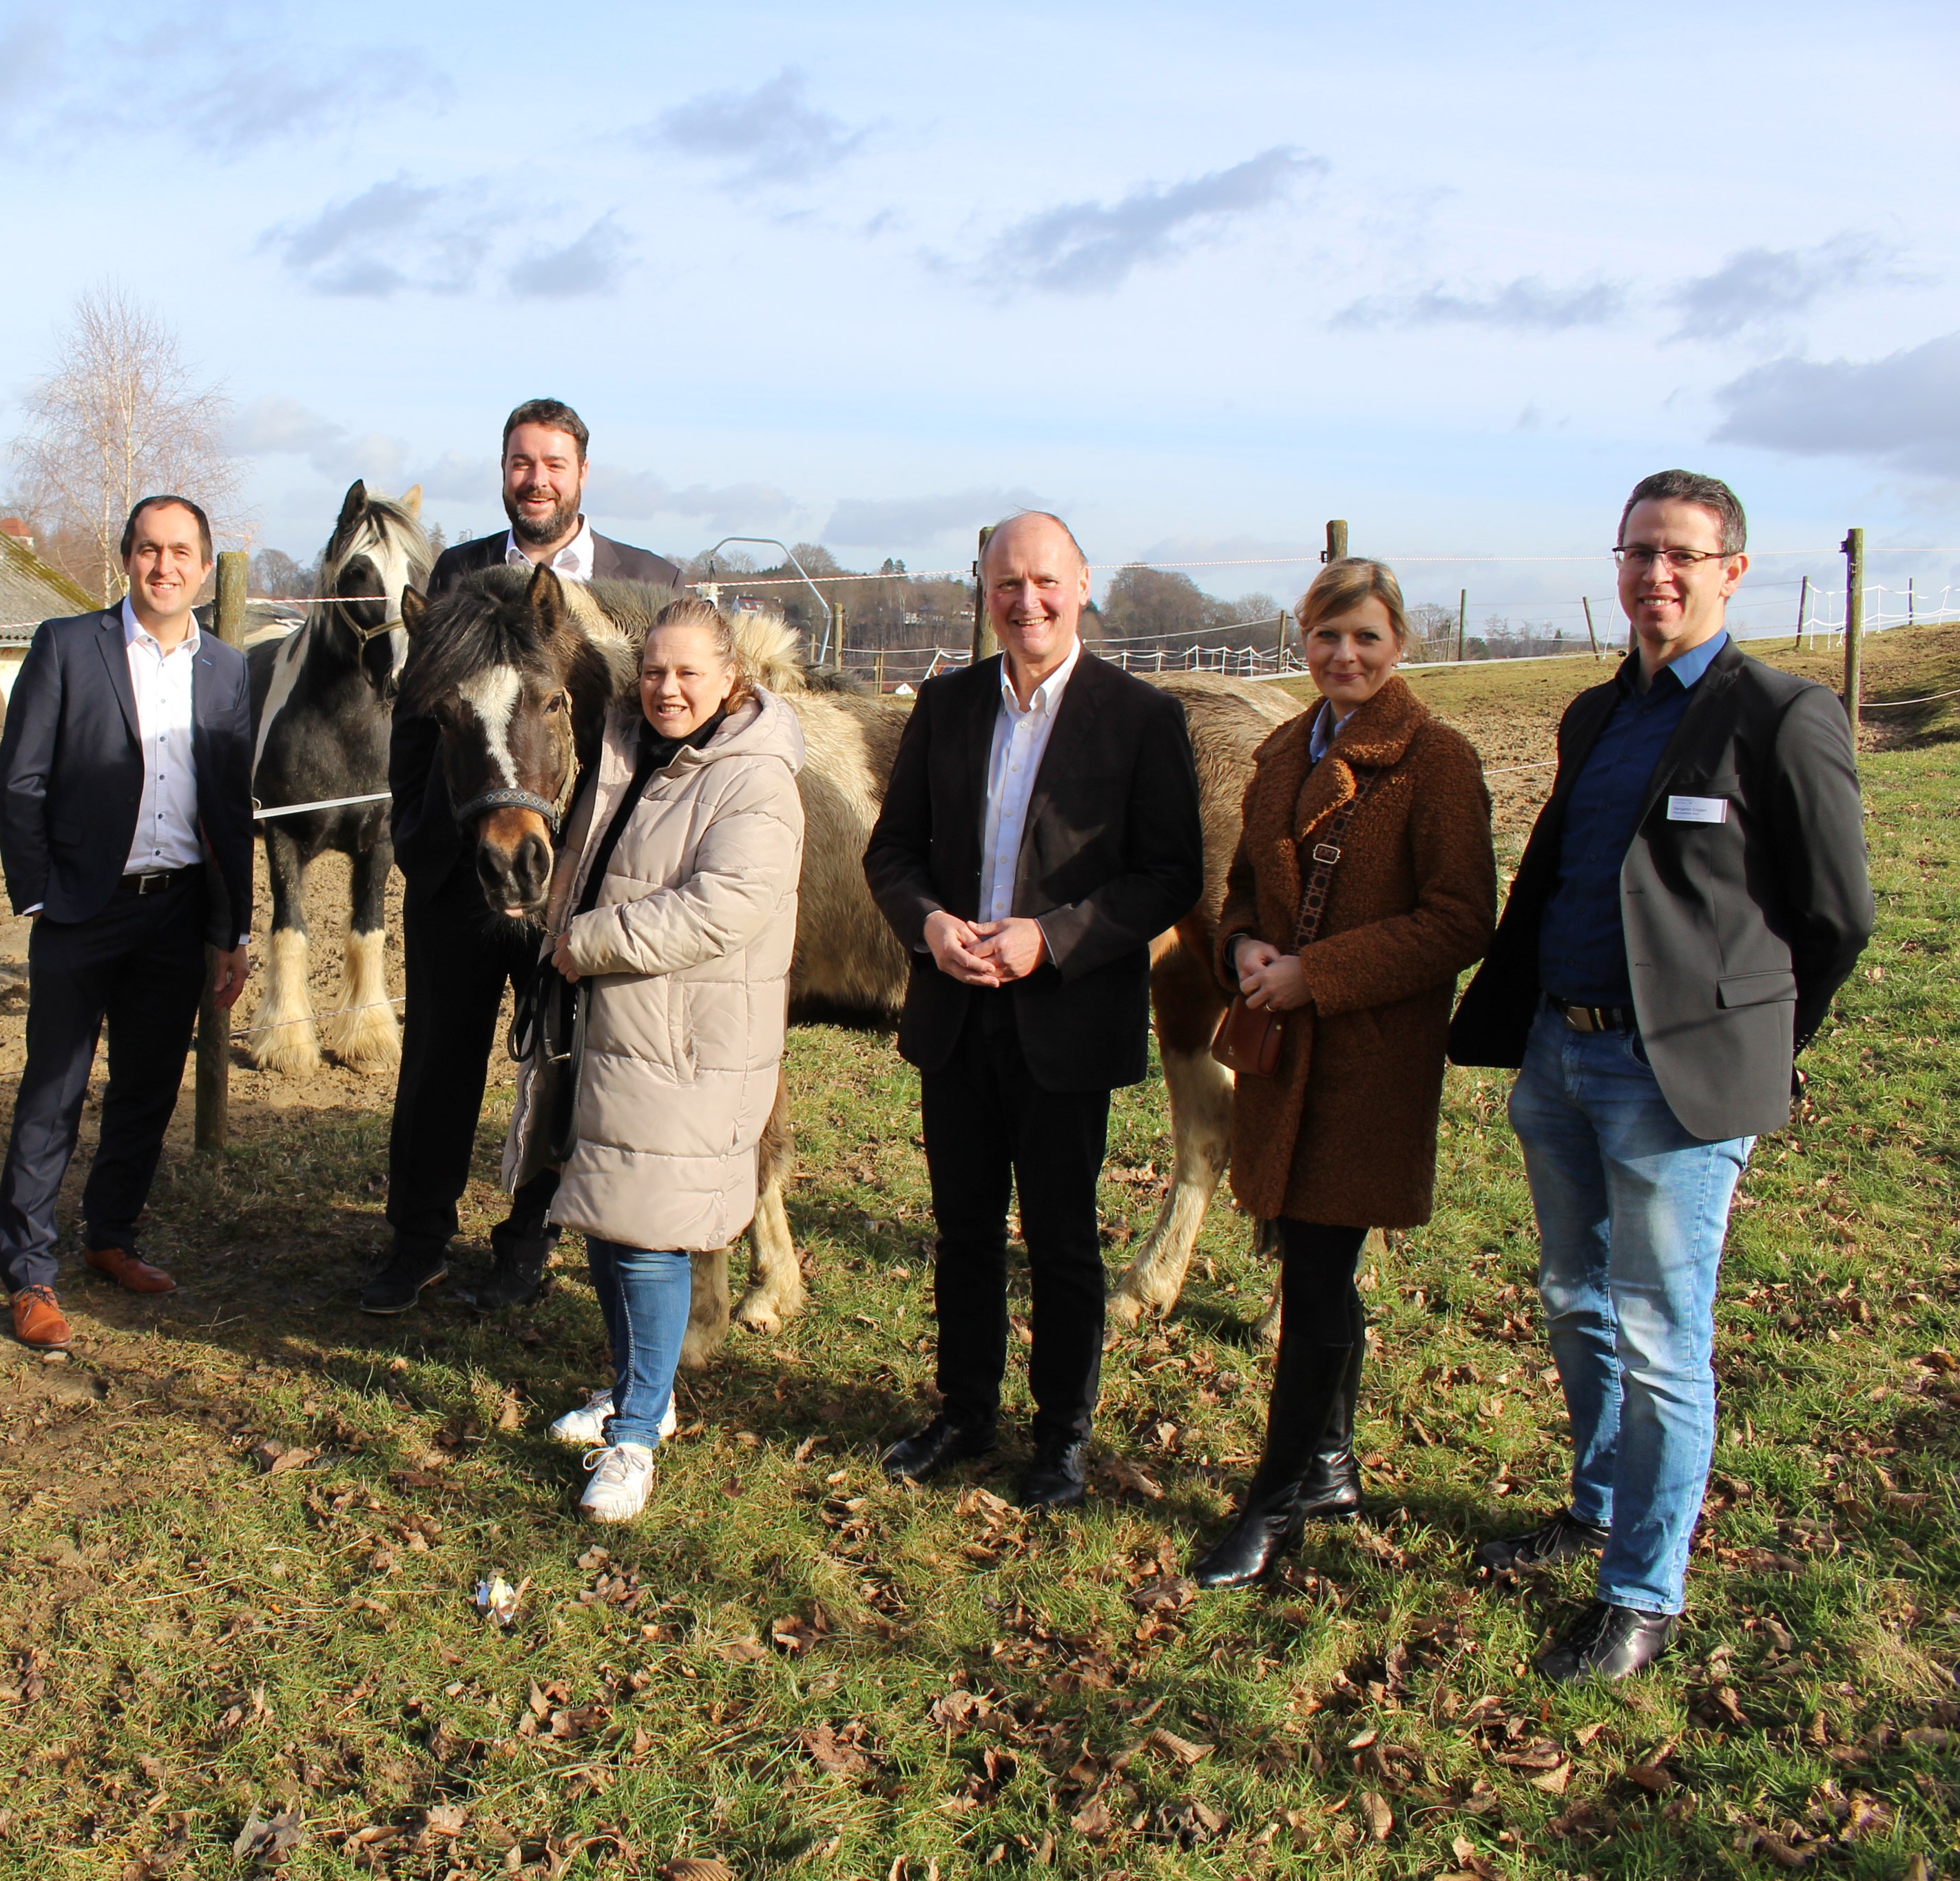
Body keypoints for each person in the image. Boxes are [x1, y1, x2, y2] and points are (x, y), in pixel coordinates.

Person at [1448, 470, 1873, 1681]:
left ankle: (1643, 1590)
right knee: (1573, 1298)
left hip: (1673, 1081)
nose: (1656, 576)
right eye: (1638, 552)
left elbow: (1837, 916)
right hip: (1559, 1055)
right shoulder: (1594, 714)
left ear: (1731, 571)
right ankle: (1595, 1504)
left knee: (1659, 1334)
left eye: (1682, 555)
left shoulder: (1781, 717)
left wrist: (1760, 1051)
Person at [861, 512, 1203, 1507]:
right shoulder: (946, 705)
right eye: (1007, 583)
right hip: (956, 1011)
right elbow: (894, 852)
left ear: (1082, 583)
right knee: (963, 1228)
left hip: (1065, 1019)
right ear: (985, 589)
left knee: (1060, 1237)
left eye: (1045, 580)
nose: (1027, 600)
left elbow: (1168, 874)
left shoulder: (1140, 718)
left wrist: (1050, 937)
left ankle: (1061, 1435)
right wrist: (926, 925)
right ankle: (964, 1410)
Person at [1189, 558, 1497, 1588]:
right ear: (1302, 640)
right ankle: (1325, 1462)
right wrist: (1241, 953)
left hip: (1366, 1058)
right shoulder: (1283, 749)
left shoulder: (1436, 761)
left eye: (1364, 636)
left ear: (1399, 641)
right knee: (1314, 1265)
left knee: (1318, 1269)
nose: (1345, 655)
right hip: (1284, 1045)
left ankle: (1275, 1500)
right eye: (1327, 636)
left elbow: (1462, 918)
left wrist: (1313, 974)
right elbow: (1237, 887)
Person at [362, 399, 685, 1318]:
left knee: (559, 1061)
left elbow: (668, 731)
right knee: (436, 1058)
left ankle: (527, 1242)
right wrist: (425, 851)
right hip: (461, 868)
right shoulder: (458, 574)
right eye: (519, 461)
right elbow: (414, 728)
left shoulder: (644, 586)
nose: (535, 477)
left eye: (552, 461)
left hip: (580, 881)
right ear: (502, 471)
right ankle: (416, 1237)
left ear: (583, 472)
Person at [499, 598, 804, 1521]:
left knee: (649, 1238)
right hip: (614, 1030)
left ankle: (634, 1437)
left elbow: (722, 906)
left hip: (685, 1040)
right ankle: (643, 1392)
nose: (667, 688)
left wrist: (583, 940)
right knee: (606, 1213)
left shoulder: (755, 777)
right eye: (654, 671)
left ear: (730, 677)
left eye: (688, 673)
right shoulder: (635, 748)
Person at [0, 495, 253, 1350]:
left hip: (176, 913)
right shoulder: (67, 647)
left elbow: (227, 809)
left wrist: (233, 928)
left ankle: (111, 1236)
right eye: (148, 550)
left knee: (145, 1088)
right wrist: (37, 894)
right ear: (126, 560)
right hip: (80, 907)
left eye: (181, 552)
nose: (164, 566)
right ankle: (30, 1271)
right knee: (53, 1092)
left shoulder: (226, 670)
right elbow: (20, 779)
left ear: (205, 567)